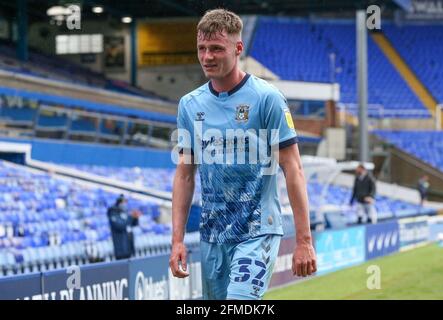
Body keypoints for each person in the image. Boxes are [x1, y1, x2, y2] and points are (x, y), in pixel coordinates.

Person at [170, 9, 316, 300]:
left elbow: (293, 168)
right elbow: (185, 175)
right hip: (213, 234)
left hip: (258, 229)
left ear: (238, 49)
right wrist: (177, 240)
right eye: (202, 48)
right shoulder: (189, 105)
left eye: (216, 49)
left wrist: (304, 240)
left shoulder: (267, 98)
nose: (207, 57)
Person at [107, 194, 141, 260]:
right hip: (121, 247)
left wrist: (135, 218)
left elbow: (133, 224)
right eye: (123, 202)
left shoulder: (124, 212)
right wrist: (131, 217)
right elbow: (120, 226)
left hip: (129, 245)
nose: (125, 204)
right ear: (119, 202)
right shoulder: (113, 213)